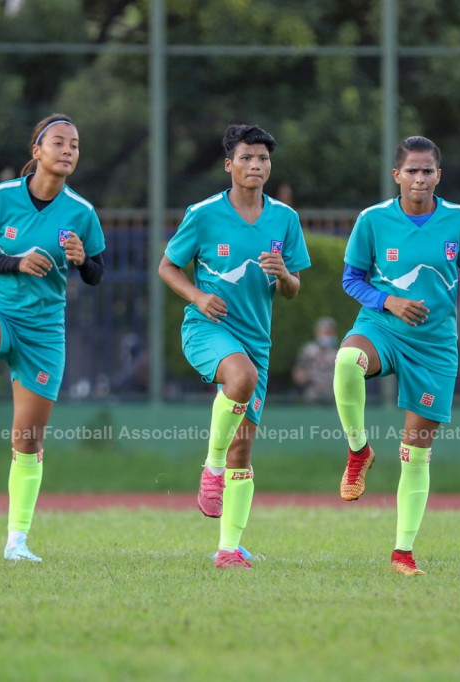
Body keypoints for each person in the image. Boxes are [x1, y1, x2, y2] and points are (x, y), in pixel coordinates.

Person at [0, 113, 106, 563]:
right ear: (36, 151)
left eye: (74, 145)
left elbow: (96, 274)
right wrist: (16, 262)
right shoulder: (0, 197)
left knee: (28, 440)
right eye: (58, 142)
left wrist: (81, 261)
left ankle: (16, 542)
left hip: (43, 331)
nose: (68, 151)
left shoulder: (82, 212)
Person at [333, 135, 460, 576]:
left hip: (435, 344)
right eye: (412, 171)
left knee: (415, 453)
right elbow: (352, 279)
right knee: (346, 362)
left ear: (439, 175)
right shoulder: (372, 220)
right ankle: (358, 450)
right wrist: (388, 301)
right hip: (381, 327)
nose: (419, 179)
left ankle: (403, 553)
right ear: (396, 175)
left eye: (428, 171)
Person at [158, 123, 311, 569]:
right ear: (229, 165)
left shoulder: (285, 219)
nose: (255, 165)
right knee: (240, 379)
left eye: (262, 158)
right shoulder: (203, 213)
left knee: (243, 450)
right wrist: (198, 296)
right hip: (207, 329)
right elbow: (167, 267)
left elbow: (293, 290)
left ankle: (227, 550)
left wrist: (283, 274)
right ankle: (211, 467)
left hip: (255, 339)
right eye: (246, 158)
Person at [291, 316, 338, 403]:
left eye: (330, 332)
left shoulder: (337, 352)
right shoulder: (309, 350)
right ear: (318, 332)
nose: (328, 335)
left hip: (332, 396)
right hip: (312, 395)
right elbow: (298, 373)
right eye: (325, 332)